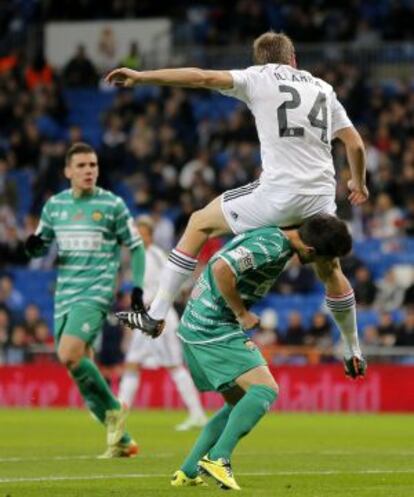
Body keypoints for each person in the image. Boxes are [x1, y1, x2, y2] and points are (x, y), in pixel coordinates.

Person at [105, 31, 369, 353]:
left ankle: (156, 313)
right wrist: (358, 182)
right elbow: (354, 143)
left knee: (199, 222)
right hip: (320, 200)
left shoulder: (257, 78)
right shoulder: (323, 89)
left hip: (279, 196)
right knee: (330, 269)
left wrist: (142, 76)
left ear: (260, 60)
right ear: (293, 58)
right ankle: (353, 348)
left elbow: (201, 77)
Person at [117, 214, 367, 490]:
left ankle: (188, 470)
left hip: (199, 324)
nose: (328, 266)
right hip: (211, 325)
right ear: (310, 251)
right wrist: (241, 313)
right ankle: (218, 457)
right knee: (265, 390)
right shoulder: (271, 246)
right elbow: (221, 269)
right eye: (327, 259)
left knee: (237, 403)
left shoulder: (275, 233)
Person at [25, 142, 146, 458]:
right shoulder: (55, 206)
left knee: (68, 353)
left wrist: (136, 287)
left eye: (92, 165)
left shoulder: (112, 205)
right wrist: (33, 245)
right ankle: (123, 441)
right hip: (65, 294)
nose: (88, 170)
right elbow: (38, 248)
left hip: (96, 292)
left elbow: (135, 246)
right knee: (79, 367)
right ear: (68, 171)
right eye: (81, 166)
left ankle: (114, 409)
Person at [118, 215, 207, 431]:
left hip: (159, 317)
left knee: (174, 365)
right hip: (144, 318)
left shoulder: (156, 256)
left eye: (141, 233)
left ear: (149, 235)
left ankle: (197, 414)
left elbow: (172, 284)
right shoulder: (140, 256)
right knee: (131, 364)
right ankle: (117, 412)